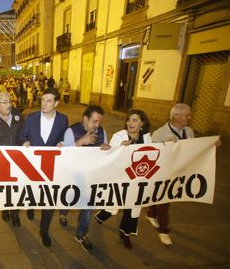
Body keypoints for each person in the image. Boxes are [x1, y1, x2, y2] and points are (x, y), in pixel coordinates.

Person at [18, 88, 68, 247]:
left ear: (56, 103)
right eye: (43, 100)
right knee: (33, 192)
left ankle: (44, 230)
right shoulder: (31, 118)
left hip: (51, 166)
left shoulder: (63, 119)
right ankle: (31, 205)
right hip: (32, 165)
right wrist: (24, 141)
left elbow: (62, 138)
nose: (44, 104)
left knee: (50, 198)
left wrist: (62, 143)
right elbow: (21, 136)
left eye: (49, 100)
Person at [94, 110, 151, 249]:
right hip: (121, 177)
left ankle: (125, 234)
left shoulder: (147, 137)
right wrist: (120, 149)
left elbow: (153, 153)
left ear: (142, 123)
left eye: (135, 120)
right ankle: (101, 216)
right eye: (129, 120)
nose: (131, 123)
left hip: (138, 179)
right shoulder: (119, 136)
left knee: (132, 208)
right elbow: (110, 156)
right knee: (113, 205)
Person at [62, 105, 110, 252]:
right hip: (73, 176)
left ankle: (81, 234)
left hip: (91, 178)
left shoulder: (102, 132)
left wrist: (106, 149)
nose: (97, 125)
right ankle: (63, 213)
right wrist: (80, 142)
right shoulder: (72, 131)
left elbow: (107, 152)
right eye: (94, 121)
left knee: (88, 208)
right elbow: (64, 155)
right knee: (68, 198)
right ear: (85, 119)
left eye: (99, 122)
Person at [146, 103, 194, 245]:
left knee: (161, 198)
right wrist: (163, 146)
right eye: (187, 115)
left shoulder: (189, 131)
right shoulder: (159, 133)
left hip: (178, 171)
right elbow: (151, 155)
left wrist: (210, 144)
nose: (189, 118)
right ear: (176, 116)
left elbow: (195, 148)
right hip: (163, 174)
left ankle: (150, 213)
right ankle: (164, 230)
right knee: (165, 201)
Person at [0, 92, 24, 227]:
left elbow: (24, 132)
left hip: (17, 158)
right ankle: (4, 208)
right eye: (5, 102)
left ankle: (15, 213)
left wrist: (25, 141)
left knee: (16, 187)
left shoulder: (17, 114)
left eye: (9, 101)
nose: (9, 105)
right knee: (3, 187)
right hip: (0, 160)